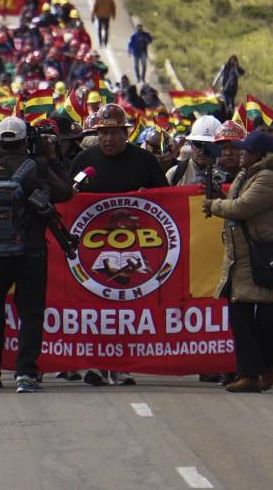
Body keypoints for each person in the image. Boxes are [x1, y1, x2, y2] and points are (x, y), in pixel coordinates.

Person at [66, 105, 168, 387]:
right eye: (103, 133)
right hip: (92, 248)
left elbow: (165, 198)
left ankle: (122, 367)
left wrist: (147, 198)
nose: (108, 139)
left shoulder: (144, 161)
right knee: (94, 307)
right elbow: (67, 198)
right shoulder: (83, 161)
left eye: (114, 133)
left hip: (135, 246)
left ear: (126, 133)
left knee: (127, 308)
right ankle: (95, 365)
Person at [0, 117, 74, 393]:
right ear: (24, 140)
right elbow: (65, 192)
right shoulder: (36, 167)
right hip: (32, 250)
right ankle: (26, 374)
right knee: (31, 314)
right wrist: (51, 158)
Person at [203, 132, 273, 393]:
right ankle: (248, 373)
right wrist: (220, 199)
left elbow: (242, 208)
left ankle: (266, 368)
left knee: (268, 320)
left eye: (245, 150)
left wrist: (214, 205)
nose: (240, 153)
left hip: (268, 259)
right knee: (241, 318)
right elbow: (235, 203)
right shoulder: (246, 174)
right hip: (243, 259)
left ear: (260, 155)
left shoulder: (269, 178)